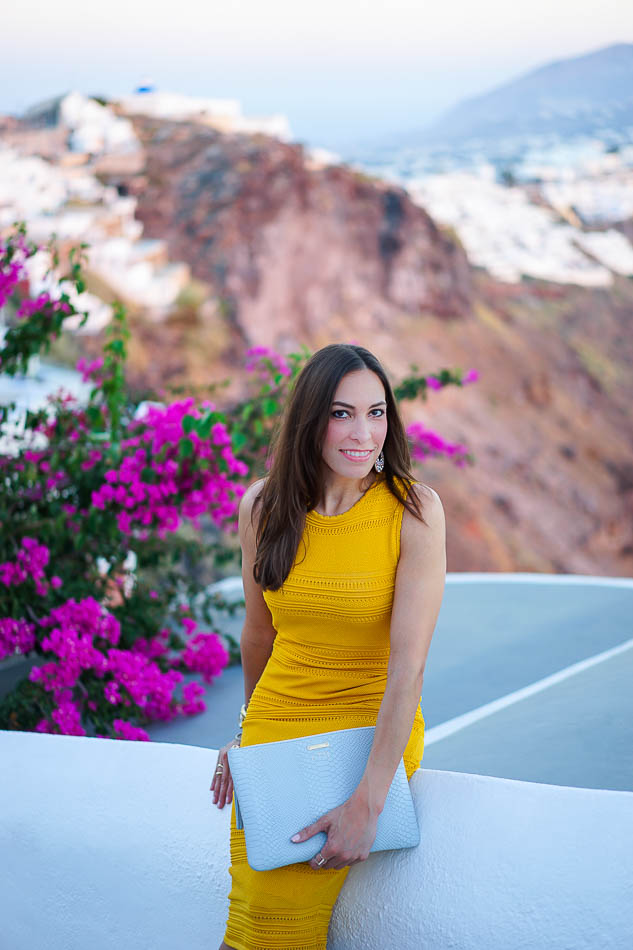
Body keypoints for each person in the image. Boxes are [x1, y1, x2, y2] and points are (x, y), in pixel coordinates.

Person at [211, 343, 446, 950]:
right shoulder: (263, 506)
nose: (363, 434)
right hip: (274, 724)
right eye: (343, 414)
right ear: (311, 420)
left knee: (279, 921)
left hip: (364, 728)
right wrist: (245, 738)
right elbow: (259, 632)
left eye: (376, 413)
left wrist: (369, 800)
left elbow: (409, 667)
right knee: (251, 910)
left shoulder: (414, 511)